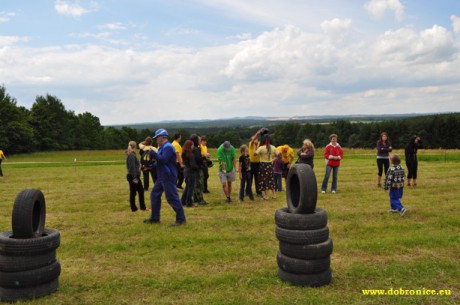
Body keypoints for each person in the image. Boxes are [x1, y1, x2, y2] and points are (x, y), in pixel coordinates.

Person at [144, 129, 186, 226]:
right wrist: (149, 166)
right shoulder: (162, 147)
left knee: (172, 198)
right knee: (154, 194)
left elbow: (163, 160)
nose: (155, 140)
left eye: (156, 138)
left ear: (162, 137)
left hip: (168, 176)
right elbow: (159, 162)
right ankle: (155, 218)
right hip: (162, 176)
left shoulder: (168, 147)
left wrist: (153, 154)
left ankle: (181, 219)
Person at [254, 133, 279, 200]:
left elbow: (255, 154)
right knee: (271, 179)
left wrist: (255, 146)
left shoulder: (261, 148)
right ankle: (274, 195)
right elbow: (279, 154)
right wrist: (273, 158)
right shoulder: (273, 147)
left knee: (264, 180)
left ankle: (266, 195)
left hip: (263, 165)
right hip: (270, 165)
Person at [125, 141, 146, 212]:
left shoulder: (131, 154)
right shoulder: (131, 155)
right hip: (133, 176)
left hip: (134, 176)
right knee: (133, 192)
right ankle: (134, 209)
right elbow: (132, 167)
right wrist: (135, 178)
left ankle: (142, 207)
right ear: (135, 147)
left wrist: (141, 168)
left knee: (140, 191)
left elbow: (135, 166)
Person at [191, 134, 207, 205]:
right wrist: (204, 157)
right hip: (198, 168)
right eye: (199, 139)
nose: (200, 141)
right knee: (200, 184)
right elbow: (198, 159)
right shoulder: (197, 149)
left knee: (195, 184)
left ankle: (195, 198)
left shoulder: (192, 148)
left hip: (194, 168)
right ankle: (200, 199)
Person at [181, 140, 197, 208]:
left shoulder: (183, 153)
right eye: (192, 145)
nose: (193, 146)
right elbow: (193, 164)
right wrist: (197, 167)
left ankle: (183, 201)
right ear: (190, 145)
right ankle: (189, 202)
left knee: (187, 186)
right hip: (191, 172)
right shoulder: (190, 154)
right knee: (191, 188)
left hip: (186, 170)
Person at [249, 129, 263, 198]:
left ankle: (259, 192)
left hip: (258, 164)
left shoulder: (260, 145)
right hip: (251, 164)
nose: (255, 140)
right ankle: (248, 191)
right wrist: (257, 133)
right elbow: (253, 139)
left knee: (258, 179)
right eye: (254, 139)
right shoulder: (250, 144)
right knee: (250, 178)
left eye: (256, 139)